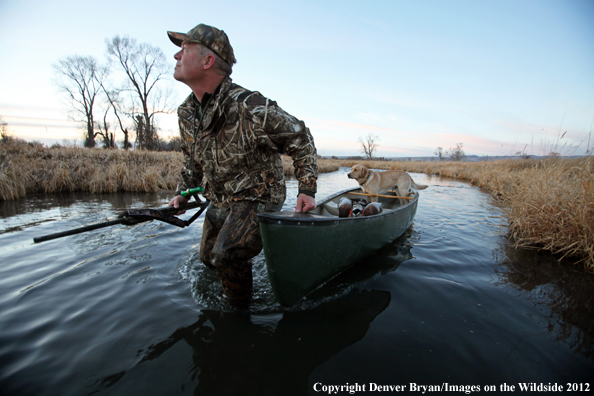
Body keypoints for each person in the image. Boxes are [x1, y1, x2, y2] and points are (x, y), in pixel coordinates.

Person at [166, 24, 318, 305]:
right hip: (222, 196)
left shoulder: (250, 106)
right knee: (208, 258)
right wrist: (181, 191)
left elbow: (300, 136)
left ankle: (238, 319)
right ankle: (230, 296)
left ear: (207, 60)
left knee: (226, 254)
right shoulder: (187, 113)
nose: (176, 56)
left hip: (259, 194)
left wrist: (306, 189)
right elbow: (191, 159)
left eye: (183, 50)